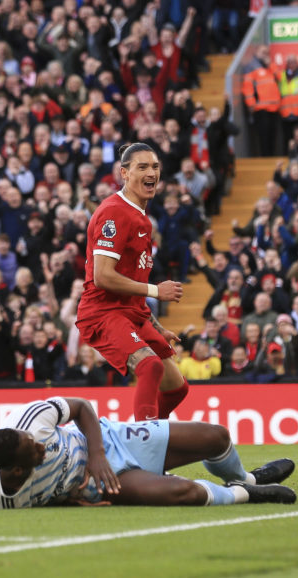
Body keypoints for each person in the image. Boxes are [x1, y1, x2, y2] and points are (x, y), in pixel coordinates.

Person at [0, 396, 296, 508]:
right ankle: (245, 495)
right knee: (184, 493)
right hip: (99, 484)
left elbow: (81, 407)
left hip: (108, 441)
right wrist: (70, 502)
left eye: (33, 439)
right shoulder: (2, 501)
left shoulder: (30, 420)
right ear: (18, 470)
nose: (38, 443)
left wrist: (97, 453)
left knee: (215, 436)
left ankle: (246, 478)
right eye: (33, 450)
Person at [75, 143, 187, 421]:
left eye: (155, 167)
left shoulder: (142, 218)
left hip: (133, 314)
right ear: (124, 173)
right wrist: (156, 291)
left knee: (176, 388)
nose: (151, 172)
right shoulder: (114, 212)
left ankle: (144, 445)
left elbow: (131, 279)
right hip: (103, 313)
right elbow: (102, 276)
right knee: (150, 367)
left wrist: (156, 326)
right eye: (142, 167)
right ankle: (142, 449)